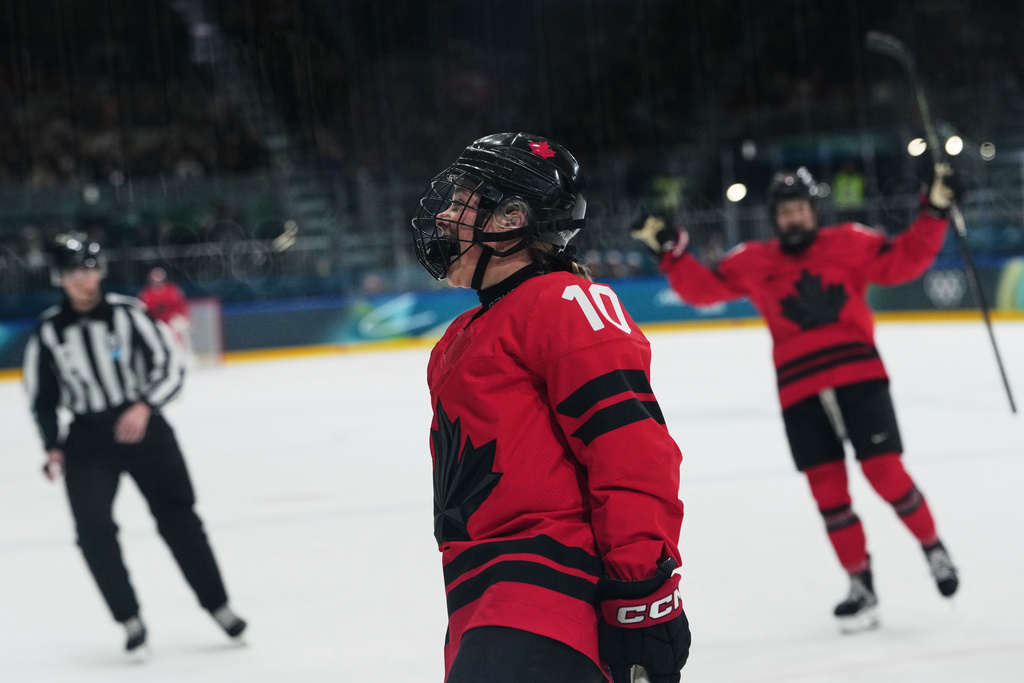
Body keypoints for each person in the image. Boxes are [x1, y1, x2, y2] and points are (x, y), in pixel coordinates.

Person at [411, 133, 690, 683]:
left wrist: (643, 592)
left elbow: (632, 451)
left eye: (461, 200)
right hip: (480, 600)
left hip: (547, 598)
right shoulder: (465, 332)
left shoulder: (564, 303)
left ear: (511, 218)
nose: (443, 214)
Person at [631, 165, 960, 633]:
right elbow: (703, 290)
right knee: (829, 493)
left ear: (815, 211)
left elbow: (903, 260)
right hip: (799, 389)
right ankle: (860, 585)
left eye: (801, 208)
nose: (794, 218)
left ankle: (934, 550)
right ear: (775, 217)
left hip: (859, 376)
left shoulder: (849, 242)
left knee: (885, 473)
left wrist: (936, 211)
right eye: (786, 211)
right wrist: (670, 250)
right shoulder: (753, 260)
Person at [22, 234, 246, 655]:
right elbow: (42, 398)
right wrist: (52, 446)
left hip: (146, 429)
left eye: (87, 270)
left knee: (179, 518)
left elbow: (170, 365)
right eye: (72, 273)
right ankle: (128, 618)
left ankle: (219, 606)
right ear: (60, 279)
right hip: (88, 438)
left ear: (99, 271)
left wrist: (144, 406)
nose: (82, 281)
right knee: (92, 530)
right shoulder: (49, 331)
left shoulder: (131, 313)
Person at [138, 266, 191, 353]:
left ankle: (183, 352)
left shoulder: (172, 290)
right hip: (157, 322)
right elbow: (143, 310)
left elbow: (181, 305)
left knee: (179, 327)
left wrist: (183, 317)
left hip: (172, 319)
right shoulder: (146, 294)